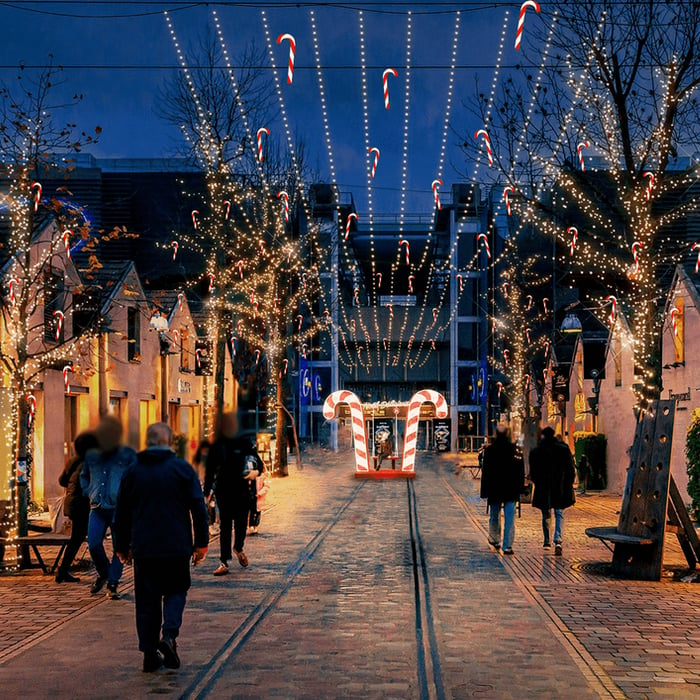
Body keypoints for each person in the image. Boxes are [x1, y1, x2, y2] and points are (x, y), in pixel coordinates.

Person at [114, 422, 209, 673]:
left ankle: (148, 654)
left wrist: (121, 545)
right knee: (177, 591)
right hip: (177, 546)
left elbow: (121, 512)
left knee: (147, 601)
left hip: (145, 547)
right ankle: (169, 635)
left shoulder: (133, 471)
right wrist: (201, 543)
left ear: (148, 442)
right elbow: (199, 508)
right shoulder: (182, 470)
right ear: (169, 442)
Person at [80, 415, 137, 598]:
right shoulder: (92, 455)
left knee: (118, 547)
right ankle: (104, 573)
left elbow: (136, 477)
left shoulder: (127, 454)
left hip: (119, 508)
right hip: (97, 507)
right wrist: (88, 491)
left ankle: (113, 583)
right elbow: (84, 476)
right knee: (94, 543)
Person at [204, 412, 260, 575]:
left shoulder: (244, 444)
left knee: (240, 523)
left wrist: (255, 472)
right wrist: (206, 492)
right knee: (226, 526)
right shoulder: (217, 446)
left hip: (241, 490)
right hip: (225, 491)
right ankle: (224, 561)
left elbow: (258, 463)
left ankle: (238, 548)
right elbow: (209, 471)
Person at [55, 432, 99, 583]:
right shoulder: (90, 463)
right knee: (86, 538)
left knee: (79, 537)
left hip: (73, 503)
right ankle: (63, 570)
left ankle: (63, 570)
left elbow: (62, 481)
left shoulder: (73, 461)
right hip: (81, 504)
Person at [529, 426, 576, 556]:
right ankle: (558, 540)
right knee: (559, 513)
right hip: (560, 487)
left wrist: (537, 482)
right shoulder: (563, 449)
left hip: (544, 487)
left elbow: (533, 472)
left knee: (546, 513)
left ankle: (546, 541)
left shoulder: (537, 451)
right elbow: (571, 469)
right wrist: (569, 483)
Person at [480, 424, 525, 555]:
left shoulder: (490, 451)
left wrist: (484, 491)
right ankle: (508, 546)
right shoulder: (515, 450)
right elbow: (520, 471)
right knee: (510, 518)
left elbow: (486, 473)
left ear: (496, 435)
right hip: (511, 490)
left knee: (494, 515)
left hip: (495, 489)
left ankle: (495, 539)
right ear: (507, 434)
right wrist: (520, 488)